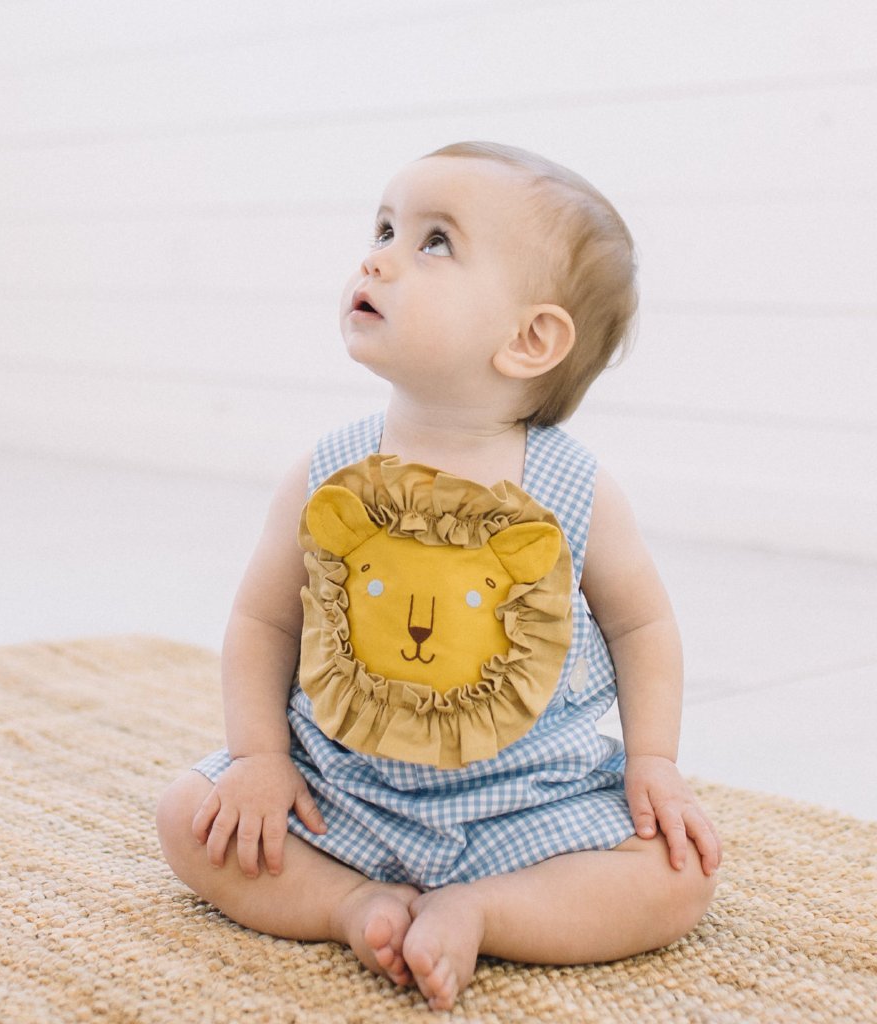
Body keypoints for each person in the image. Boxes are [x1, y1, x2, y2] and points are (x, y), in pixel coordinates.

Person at [157, 141, 722, 1012]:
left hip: (528, 806)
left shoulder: (575, 490)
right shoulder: (326, 472)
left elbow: (642, 628)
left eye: (434, 242)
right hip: (342, 793)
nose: (377, 258)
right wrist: (262, 759)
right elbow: (264, 622)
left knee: (678, 878)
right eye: (384, 229)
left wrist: (654, 761)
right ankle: (352, 904)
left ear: (530, 339)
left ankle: (487, 910)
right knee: (188, 816)